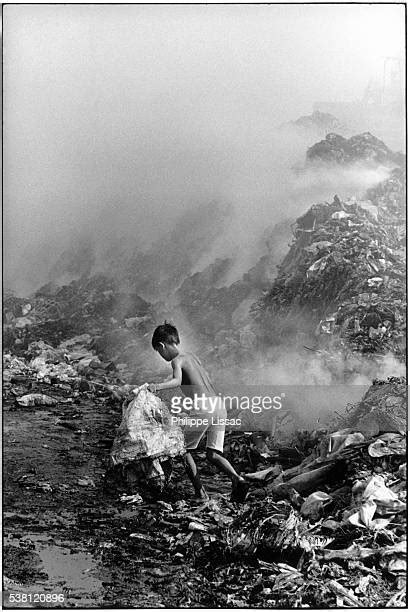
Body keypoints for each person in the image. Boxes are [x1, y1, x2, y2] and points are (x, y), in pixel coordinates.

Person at [148, 322, 249, 502]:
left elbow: (178, 381)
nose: (161, 356)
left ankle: (200, 493)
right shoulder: (193, 357)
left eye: (159, 352)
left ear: (162, 346)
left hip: (205, 408)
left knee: (181, 449)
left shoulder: (176, 361)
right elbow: (200, 383)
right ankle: (237, 479)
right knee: (213, 454)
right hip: (218, 405)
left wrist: (157, 387)